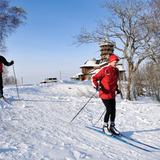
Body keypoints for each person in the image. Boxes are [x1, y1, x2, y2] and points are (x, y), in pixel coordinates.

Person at [91, 54, 121, 135]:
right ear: (111, 61)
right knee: (109, 109)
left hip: (112, 94)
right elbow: (94, 78)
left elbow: (114, 82)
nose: (116, 63)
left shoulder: (116, 71)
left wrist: (117, 88)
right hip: (104, 93)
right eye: (115, 62)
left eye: (117, 62)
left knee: (113, 110)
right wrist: (96, 86)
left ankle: (112, 126)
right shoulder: (104, 69)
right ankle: (105, 127)